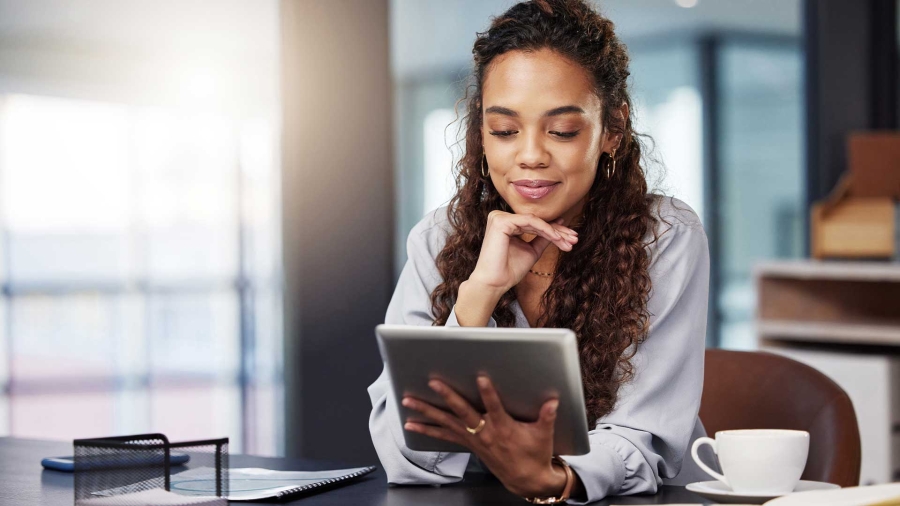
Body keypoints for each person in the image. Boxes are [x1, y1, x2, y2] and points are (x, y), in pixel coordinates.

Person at [368, 0, 713, 503]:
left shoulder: (663, 235)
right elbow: (407, 456)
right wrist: (478, 297)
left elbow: (645, 437)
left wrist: (556, 480)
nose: (530, 155)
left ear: (612, 130)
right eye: (504, 130)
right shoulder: (438, 237)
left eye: (563, 131)